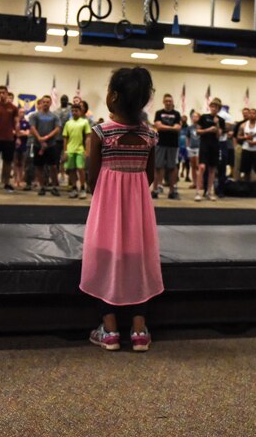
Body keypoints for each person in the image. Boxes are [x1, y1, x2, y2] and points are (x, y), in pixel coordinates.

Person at [81, 67, 162, 352]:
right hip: (138, 212)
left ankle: (110, 331)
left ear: (113, 96)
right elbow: (150, 176)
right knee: (136, 263)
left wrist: (107, 193)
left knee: (106, 262)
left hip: (107, 211)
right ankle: (139, 331)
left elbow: (92, 178)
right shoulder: (150, 136)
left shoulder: (100, 133)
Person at [29, 94, 61, 196]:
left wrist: (46, 137)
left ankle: (55, 187)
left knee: (53, 167)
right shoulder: (35, 115)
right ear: (41, 103)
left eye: (48, 102)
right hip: (38, 145)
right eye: (44, 102)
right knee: (39, 167)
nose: (46, 104)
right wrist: (39, 138)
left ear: (50, 103)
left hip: (51, 145)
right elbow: (32, 127)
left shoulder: (54, 116)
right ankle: (42, 187)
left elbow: (57, 129)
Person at [152, 93, 181, 200]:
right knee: (157, 167)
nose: (168, 103)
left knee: (172, 168)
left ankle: (172, 191)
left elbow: (178, 127)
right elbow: (158, 126)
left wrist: (164, 128)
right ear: (164, 102)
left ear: (172, 102)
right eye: (167, 101)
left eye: (170, 101)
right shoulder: (159, 113)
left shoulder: (177, 114)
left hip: (173, 145)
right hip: (160, 143)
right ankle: (155, 190)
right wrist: (171, 128)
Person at [196, 99, 225, 201]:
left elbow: (219, 135)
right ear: (210, 107)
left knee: (212, 169)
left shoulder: (221, 120)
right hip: (204, 145)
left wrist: (217, 125)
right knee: (202, 168)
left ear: (219, 109)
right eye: (212, 106)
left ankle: (209, 191)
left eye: (216, 107)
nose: (214, 108)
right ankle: (198, 192)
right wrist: (207, 130)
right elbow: (198, 131)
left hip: (215, 146)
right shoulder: (204, 117)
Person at [62, 102, 91, 199]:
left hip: (80, 150)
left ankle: (82, 188)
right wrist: (65, 151)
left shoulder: (84, 122)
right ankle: (74, 188)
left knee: (80, 169)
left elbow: (88, 137)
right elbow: (65, 138)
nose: (74, 112)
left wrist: (87, 150)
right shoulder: (68, 123)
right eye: (73, 111)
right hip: (70, 150)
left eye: (76, 111)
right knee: (71, 170)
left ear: (80, 111)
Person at [236, 108, 256, 184]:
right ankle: (246, 188)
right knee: (246, 171)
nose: (251, 115)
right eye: (250, 113)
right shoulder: (243, 125)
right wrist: (245, 138)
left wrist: (255, 143)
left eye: (253, 113)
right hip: (246, 149)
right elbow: (238, 137)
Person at [14, 106, 31, 190]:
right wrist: (20, 133)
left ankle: (21, 179)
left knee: (22, 163)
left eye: (24, 112)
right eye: (20, 112)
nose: (22, 114)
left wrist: (19, 132)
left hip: (24, 144)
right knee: (16, 162)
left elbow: (28, 133)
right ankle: (16, 179)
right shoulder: (14, 122)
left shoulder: (26, 123)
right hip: (15, 144)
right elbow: (13, 132)